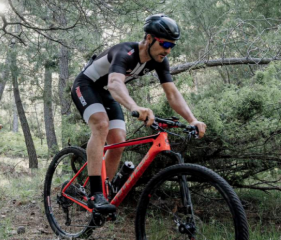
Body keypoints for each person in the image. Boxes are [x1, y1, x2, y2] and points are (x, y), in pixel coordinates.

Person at [70, 14, 207, 213]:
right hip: (86, 85)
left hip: (107, 92)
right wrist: (134, 107)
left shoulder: (160, 60)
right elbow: (115, 83)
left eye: (172, 46)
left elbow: (172, 93)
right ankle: (95, 193)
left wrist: (192, 119)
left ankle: (105, 193)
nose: (168, 50)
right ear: (149, 38)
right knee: (101, 125)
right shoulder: (125, 52)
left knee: (117, 141)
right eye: (165, 44)